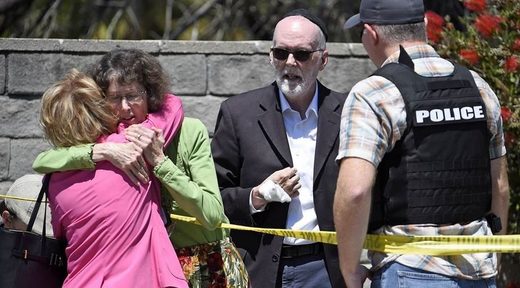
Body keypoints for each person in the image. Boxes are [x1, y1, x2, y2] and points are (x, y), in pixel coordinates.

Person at [33, 49, 249, 288]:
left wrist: (161, 163)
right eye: (114, 98)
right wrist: (100, 151)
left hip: (203, 263)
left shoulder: (188, 131)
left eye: (133, 95)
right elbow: (43, 160)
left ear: (151, 94)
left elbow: (212, 214)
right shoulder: (108, 142)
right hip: (148, 270)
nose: (125, 108)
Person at [333, 0, 510, 287]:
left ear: (371, 33)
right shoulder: (478, 86)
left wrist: (350, 270)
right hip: (479, 271)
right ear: (425, 26)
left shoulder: (372, 93)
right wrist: (495, 254)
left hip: (409, 269)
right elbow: (499, 186)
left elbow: (355, 190)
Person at [211, 9, 347, 288]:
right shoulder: (239, 113)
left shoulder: (348, 112)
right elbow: (213, 195)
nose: (290, 62)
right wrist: (256, 196)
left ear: (323, 59)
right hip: (260, 268)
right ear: (270, 56)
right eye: (281, 53)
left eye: (302, 54)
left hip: (326, 268)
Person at [38, 68, 188, 287]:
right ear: (100, 110)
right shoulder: (132, 145)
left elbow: (60, 231)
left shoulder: (52, 179)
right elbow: (172, 104)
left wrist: (96, 152)